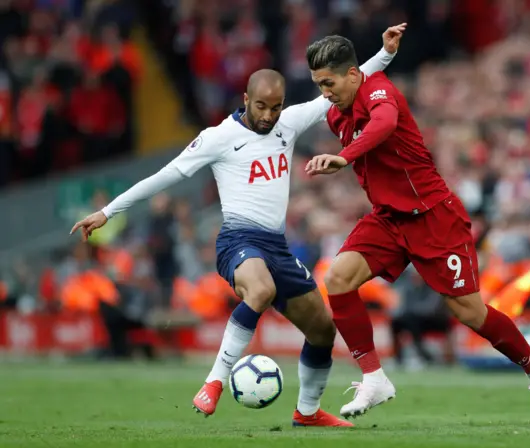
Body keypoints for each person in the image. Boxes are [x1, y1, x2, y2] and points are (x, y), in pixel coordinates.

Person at [70, 24, 406, 428]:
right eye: (261, 106)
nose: (268, 115)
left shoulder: (289, 122)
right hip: (238, 239)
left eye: (275, 107)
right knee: (259, 290)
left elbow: (343, 85)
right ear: (246, 99)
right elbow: (165, 175)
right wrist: (108, 211)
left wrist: (385, 54)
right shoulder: (218, 137)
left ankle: (308, 412)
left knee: (322, 330)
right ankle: (213, 383)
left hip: (277, 247)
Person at [304, 35, 530, 424]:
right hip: (389, 218)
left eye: (329, 83)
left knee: (470, 313)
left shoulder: (379, 90)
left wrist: (343, 157)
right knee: (338, 279)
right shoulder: (336, 111)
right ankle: (374, 378)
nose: (324, 93)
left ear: (353, 74)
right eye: (318, 84)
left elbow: (385, 123)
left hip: (432, 216)